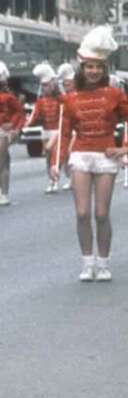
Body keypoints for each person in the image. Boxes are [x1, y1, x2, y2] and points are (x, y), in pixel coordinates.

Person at [56, 26, 128, 281]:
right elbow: (64, 132)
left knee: (101, 214)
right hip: (80, 156)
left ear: (104, 68)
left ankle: (104, 262)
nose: (93, 71)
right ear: (82, 68)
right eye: (89, 66)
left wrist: (123, 149)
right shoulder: (70, 98)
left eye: (98, 66)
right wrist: (59, 160)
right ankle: (87, 262)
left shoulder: (115, 94)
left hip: (106, 157)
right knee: (82, 213)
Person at [0, 61, 22, 206]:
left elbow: (19, 113)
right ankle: (0, 191)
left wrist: (13, 127)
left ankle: (5, 193)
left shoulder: (8, 97)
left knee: (2, 162)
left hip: (3, 132)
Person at [26, 62, 63, 194]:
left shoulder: (60, 99)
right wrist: (28, 122)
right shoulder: (41, 101)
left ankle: (55, 180)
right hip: (46, 131)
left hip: (57, 130)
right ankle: (51, 179)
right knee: (48, 156)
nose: (44, 88)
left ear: (53, 84)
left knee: (54, 154)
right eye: (42, 85)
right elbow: (35, 114)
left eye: (47, 85)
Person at [56, 63, 76, 190]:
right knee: (64, 154)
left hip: (77, 129)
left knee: (72, 151)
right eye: (65, 84)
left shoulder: (78, 95)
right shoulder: (63, 98)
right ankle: (69, 177)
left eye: (69, 84)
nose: (67, 86)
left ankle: (75, 178)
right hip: (65, 128)